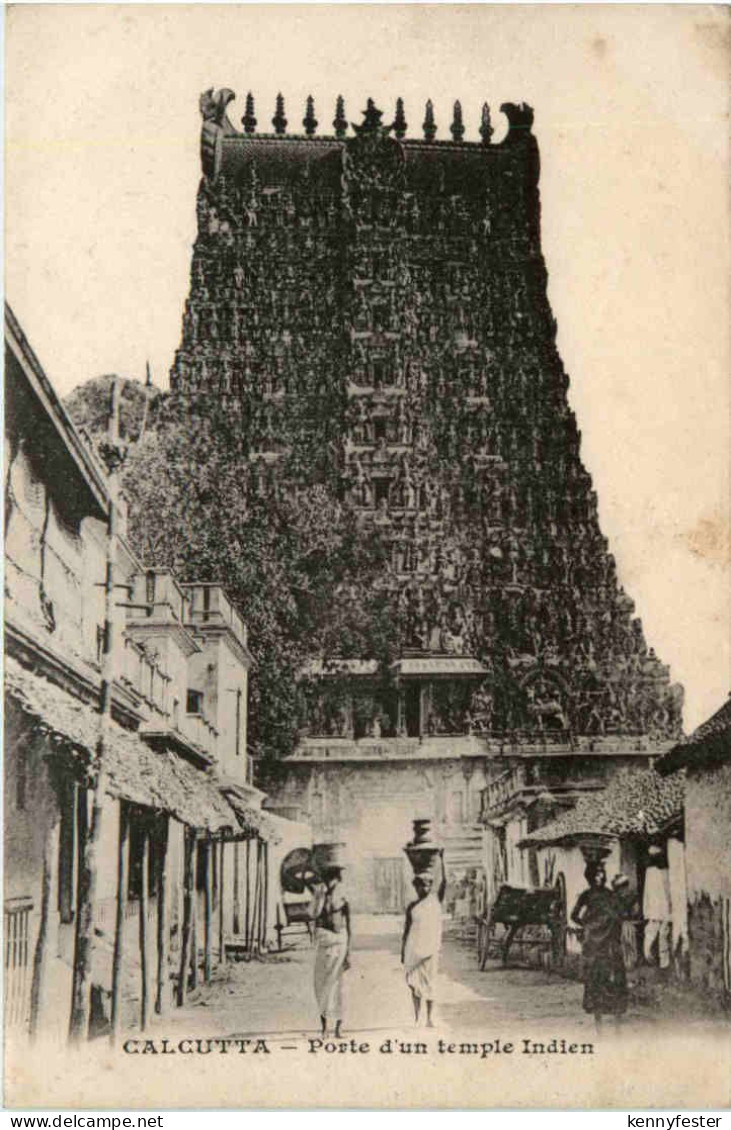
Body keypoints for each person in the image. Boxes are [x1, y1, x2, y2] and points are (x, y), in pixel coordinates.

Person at [570, 861, 628, 1027]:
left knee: (615, 977)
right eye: (597, 873)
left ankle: (617, 1017)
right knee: (596, 979)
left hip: (609, 942)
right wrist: (588, 926)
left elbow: (620, 914)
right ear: (590, 876)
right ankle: (598, 1021)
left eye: (602, 873)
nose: (601, 876)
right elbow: (574, 915)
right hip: (594, 945)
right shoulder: (586, 895)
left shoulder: (610, 894)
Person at [401, 849, 446, 1028]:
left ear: (430, 887)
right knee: (414, 984)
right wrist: (402, 952)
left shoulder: (435, 901)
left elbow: (444, 884)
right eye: (420, 886)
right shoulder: (412, 906)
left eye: (426, 886)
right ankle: (417, 1017)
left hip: (430, 950)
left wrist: (442, 860)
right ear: (416, 888)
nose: (423, 889)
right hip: (413, 950)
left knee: (430, 984)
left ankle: (430, 1018)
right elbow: (406, 930)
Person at [310, 865, 350, 1038]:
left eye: (332, 879)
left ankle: (339, 1028)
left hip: (340, 943)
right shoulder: (320, 898)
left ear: (337, 880)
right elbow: (313, 916)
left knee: (340, 986)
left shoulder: (343, 898)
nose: (330, 882)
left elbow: (349, 926)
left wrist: (348, 954)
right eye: (327, 879)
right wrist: (319, 897)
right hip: (325, 944)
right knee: (322, 985)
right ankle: (324, 1028)